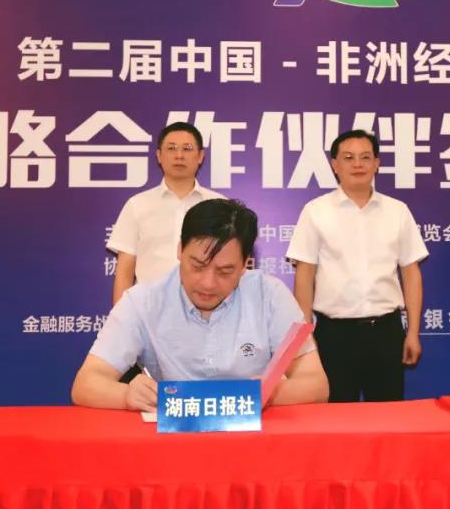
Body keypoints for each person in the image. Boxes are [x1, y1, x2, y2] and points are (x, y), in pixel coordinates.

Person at [72, 199, 329, 411]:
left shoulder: (269, 295)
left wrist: (270, 394)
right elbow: (86, 383)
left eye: (225, 271)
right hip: (172, 442)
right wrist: (126, 395)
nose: (208, 283)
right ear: (180, 250)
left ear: (245, 264)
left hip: (252, 441)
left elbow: (316, 384)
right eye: (197, 266)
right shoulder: (143, 301)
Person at [286, 129, 428, 402]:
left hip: (386, 331)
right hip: (334, 334)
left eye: (365, 157)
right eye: (348, 157)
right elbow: (304, 276)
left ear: (377, 163)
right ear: (335, 165)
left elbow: (411, 274)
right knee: (335, 416)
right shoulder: (316, 211)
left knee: (388, 415)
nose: (358, 164)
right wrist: (305, 336)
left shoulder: (397, 211)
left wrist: (412, 333)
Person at [106, 122, 224, 306]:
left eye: (187, 148)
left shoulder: (220, 206)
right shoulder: (137, 205)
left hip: (206, 310)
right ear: (159, 156)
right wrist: (121, 319)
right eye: (171, 148)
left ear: (200, 156)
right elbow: (124, 272)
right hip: (149, 310)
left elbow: (229, 267)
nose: (179, 155)